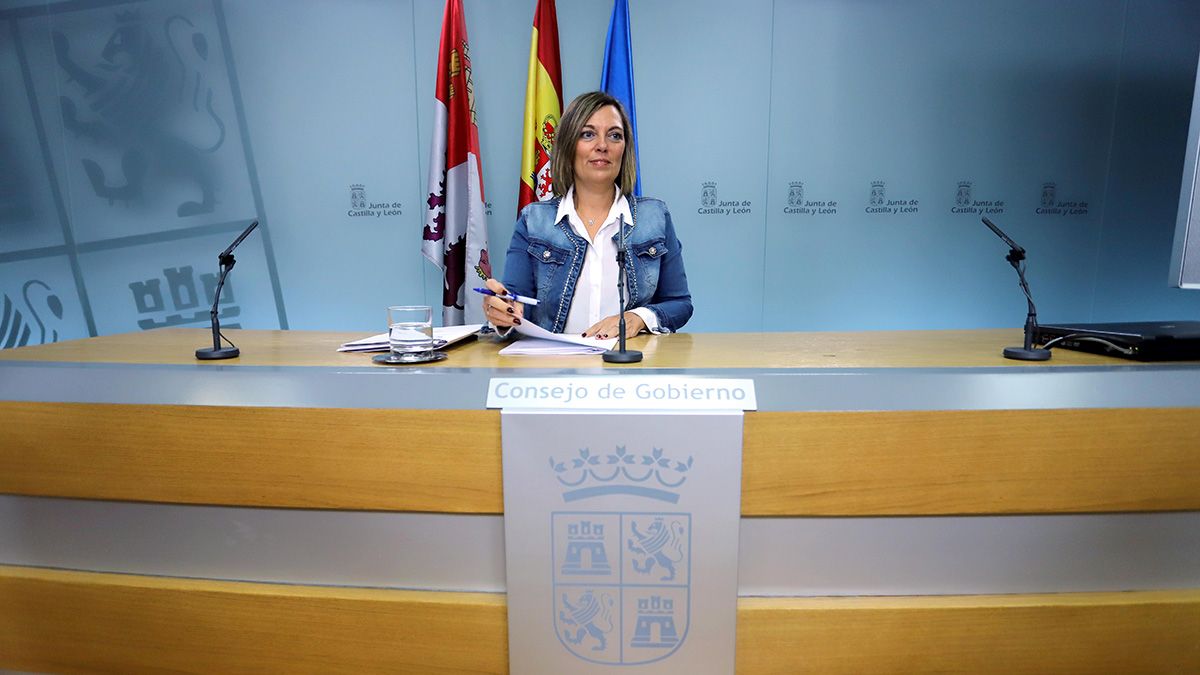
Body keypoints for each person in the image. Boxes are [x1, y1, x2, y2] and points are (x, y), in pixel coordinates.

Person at [482, 91, 692, 338]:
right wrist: (504, 313)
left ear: (624, 149)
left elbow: (679, 304)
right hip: (553, 368)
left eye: (615, 136)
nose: (602, 146)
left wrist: (637, 318)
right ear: (569, 145)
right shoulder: (533, 221)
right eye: (588, 134)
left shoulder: (654, 217)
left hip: (630, 366)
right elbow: (515, 303)